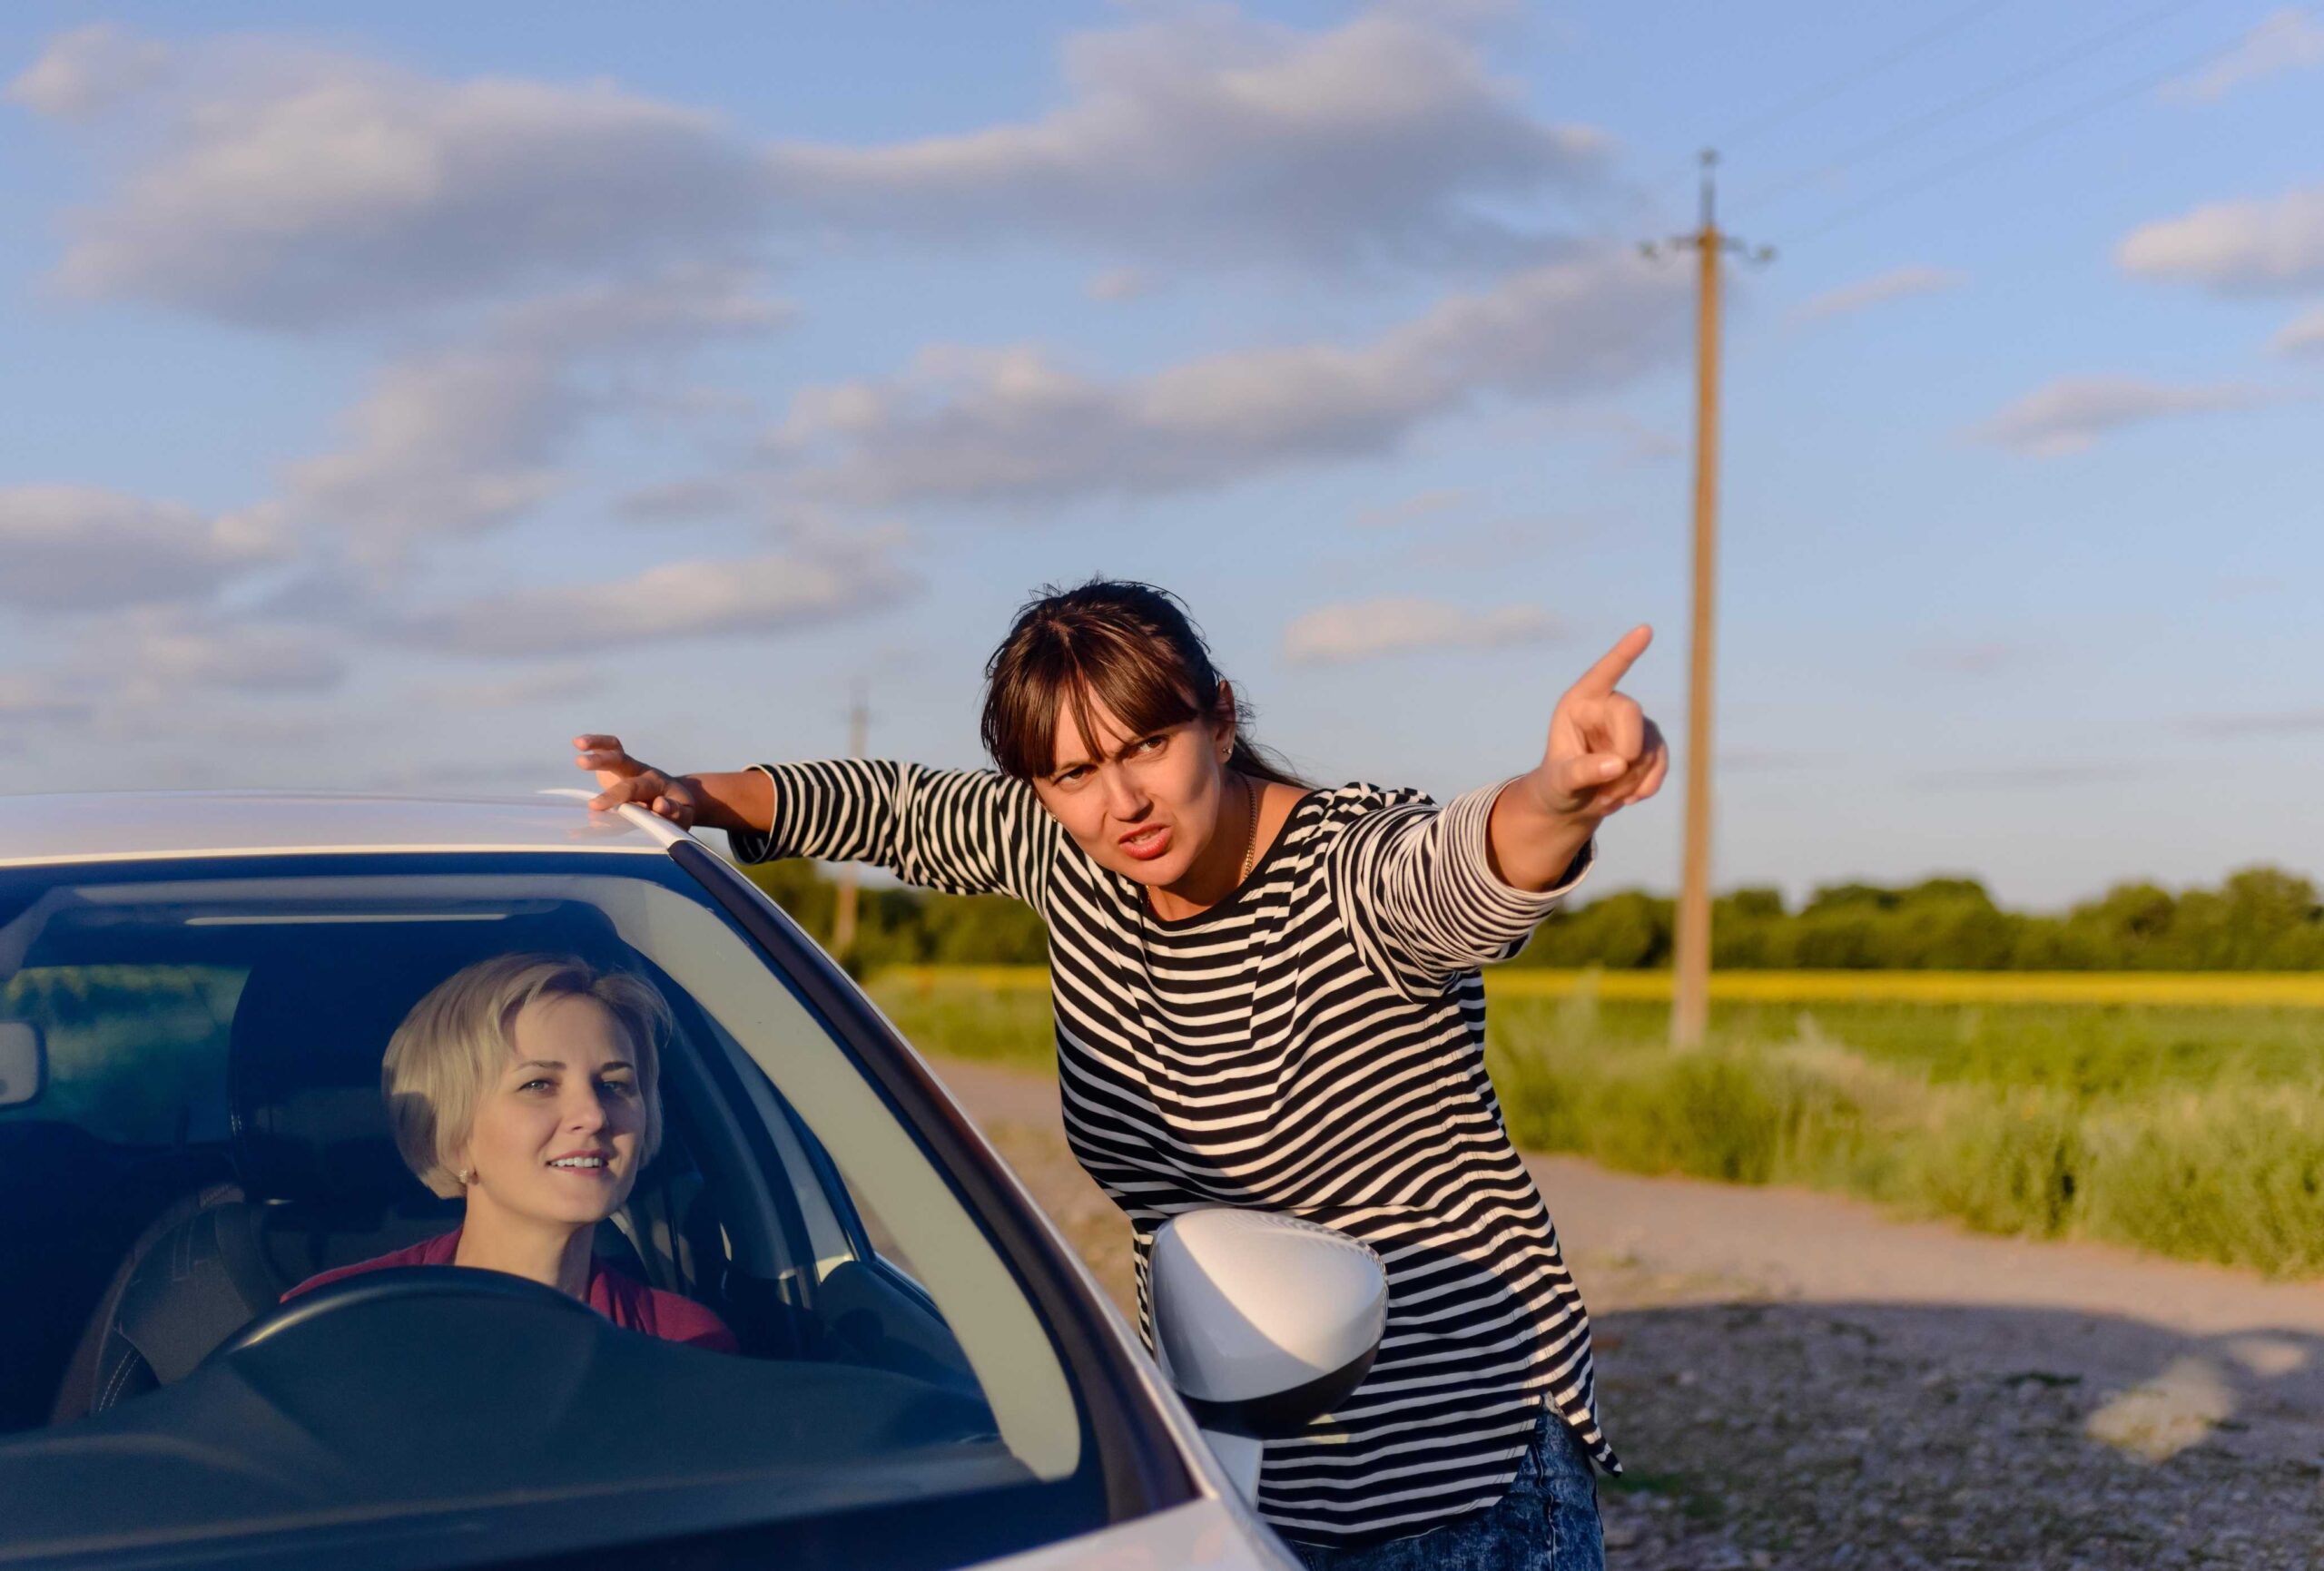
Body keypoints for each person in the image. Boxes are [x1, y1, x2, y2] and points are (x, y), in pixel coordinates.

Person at [577, 580, 1665, 1567]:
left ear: (1221, 720)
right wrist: (691, 795)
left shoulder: (1345, 872)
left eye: (1147, 746)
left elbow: (1456, 870)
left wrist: (1561, 798)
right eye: (1075, 774)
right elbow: (889, 804)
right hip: (1225, 1464)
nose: (1121, 803)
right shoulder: (1070, 852)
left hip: (1450, 1479)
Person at [284, 953, 736, 1354]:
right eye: (538, 1084)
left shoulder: (686, 1344)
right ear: (453, 1133)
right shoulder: (332, 1328)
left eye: (613, 1085)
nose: (594, 1115)